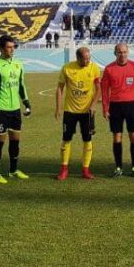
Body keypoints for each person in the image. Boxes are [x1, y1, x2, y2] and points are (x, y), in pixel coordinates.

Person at [0, 35, 32, 184]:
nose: (12, 50)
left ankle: (13, 170)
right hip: (0, 110)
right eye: (9, 47)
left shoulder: (18, 64)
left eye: (13, 47)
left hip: (15, 109)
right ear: (1, 48)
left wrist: (26, 103)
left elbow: (21, 85)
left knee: (15, 141)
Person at [56, 46, 101, 180]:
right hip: (70, 111)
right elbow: (60, 89)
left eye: (89, 58)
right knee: (66, 139)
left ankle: (85, 170)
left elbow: (99, 89)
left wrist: (93, 105)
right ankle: (64, 169)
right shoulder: (67, 68)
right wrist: (58, 107)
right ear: (78, 58)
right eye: (85, 59)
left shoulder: (94, 68)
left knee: (87, 139)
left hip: (87, 111)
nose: (88, 61)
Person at [101, 43, 134, 176]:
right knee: (117, 137)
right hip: (115, 106)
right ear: (115, 53)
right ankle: (118, 167)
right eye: (120, 52)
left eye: (125, 52)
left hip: (132, 105)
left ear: (128, 52)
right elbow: (104, 90)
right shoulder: (109, 69)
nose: (122, 54)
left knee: (133, 136)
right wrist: (105, 108)